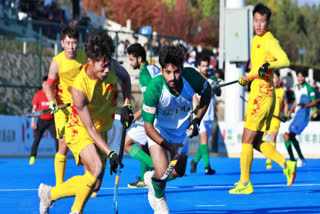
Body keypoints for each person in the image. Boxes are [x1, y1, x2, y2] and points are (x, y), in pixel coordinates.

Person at [38, 30, 134, 214]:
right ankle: (76, 211)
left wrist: (127, 104)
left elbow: (126, 78)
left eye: (108, 65)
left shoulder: (112, 66)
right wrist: (110, 152)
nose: (107, 70)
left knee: (95, 185)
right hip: (79, 128)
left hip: (102, 128)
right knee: (96, 166)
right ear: (89, 61)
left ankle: (49, 194)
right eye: (102, 66)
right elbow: (89, 128)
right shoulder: (79, 89)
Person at [229, 3, 296, 195]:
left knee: (246, 139)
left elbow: (285, 60)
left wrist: (268, 65)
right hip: (257, 91)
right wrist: (247, 78)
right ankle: (287, 164)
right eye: (256, 21)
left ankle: (245, 182)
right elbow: (256, 69)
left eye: (262, 21)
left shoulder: (269, 40)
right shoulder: (255, 40)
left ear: (268, 22)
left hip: (263, 95)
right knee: (256, 140)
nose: (259, 24)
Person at [142, 44, 211, 213]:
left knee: (179, 172)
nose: (173, 77)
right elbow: (148, 127)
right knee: (163, 172)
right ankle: (160, 202)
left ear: (182, 67)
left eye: (177, 71)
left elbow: (207, 93)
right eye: (168, 72)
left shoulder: (191, 76)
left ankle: (152, 180)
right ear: (161, 70)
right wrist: (167, 145)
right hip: (159, 132)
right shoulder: (154, 87)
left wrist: (197, 121)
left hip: (182, 133)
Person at [43, 26, 86, 188]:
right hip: (61, 109)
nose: (71, 47)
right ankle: (59, 185)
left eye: (74, 43)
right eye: (68, 43)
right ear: (62, 43)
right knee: (63, 143)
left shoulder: (84, 57)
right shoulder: (57, 62)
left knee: (85, 144)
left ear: (78, 43)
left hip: (80, 107)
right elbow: (48, 86)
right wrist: (52, 102)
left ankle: (89, 182)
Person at [125, 43, 159, 188]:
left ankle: (156, 166)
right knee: (143, 144)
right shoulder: (154, 68)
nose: (130, 62)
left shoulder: (144, 73)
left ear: (139, 59)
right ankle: (144, 180)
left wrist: (136, 116)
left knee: (127, 143)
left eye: (131, 60)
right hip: (160, 114)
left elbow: (148, 100)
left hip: (153, 116)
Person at [190, 54, 221, 175]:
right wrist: (196, 109)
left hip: (210, 114)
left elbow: (218, 93)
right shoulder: (196, 79)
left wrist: (215, 88)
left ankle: (195, 161)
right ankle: (207, 167)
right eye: (203, 66)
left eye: (207, 65)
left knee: (205, 142)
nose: (205, 68)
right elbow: (193, 95)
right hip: (200, 114)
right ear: (198, 66)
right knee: (203, 139)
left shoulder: (212, 78)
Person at [283, 71, 317, 168]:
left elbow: (314, 102)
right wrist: (290, 111)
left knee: (288, 135)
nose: (300, 78)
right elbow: (295, 101)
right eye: (299, 77)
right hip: (297, 115)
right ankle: (300, 159)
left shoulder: (309, 88)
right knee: (289, 136)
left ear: (304, 77)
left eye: (302, 77)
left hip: (304, 116)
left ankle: (294, 160)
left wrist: (305, 105)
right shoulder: (296, 87)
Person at [29, 76, 58, 165]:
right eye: (44, 84)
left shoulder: (54, 94)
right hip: (41, 121)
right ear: (42, 84)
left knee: (58, 139)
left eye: (47, 84)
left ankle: (58, 157)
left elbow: (57, 106)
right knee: (36, 139)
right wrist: (32, 121)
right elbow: (34, 108)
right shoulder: (38, 95)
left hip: (52, 120)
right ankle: (32, 157)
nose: (46, 86)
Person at [263, 70, 288, 170]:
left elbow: (285, 104)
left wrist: (285, 114)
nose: (275, 80)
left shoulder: (282, 91)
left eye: (276, 78)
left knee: (273, 137)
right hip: (265, 118)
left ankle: (269, 160)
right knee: (257, 138)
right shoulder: (266, 89)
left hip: (275, 120)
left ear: (279, 80)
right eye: (273, 78)